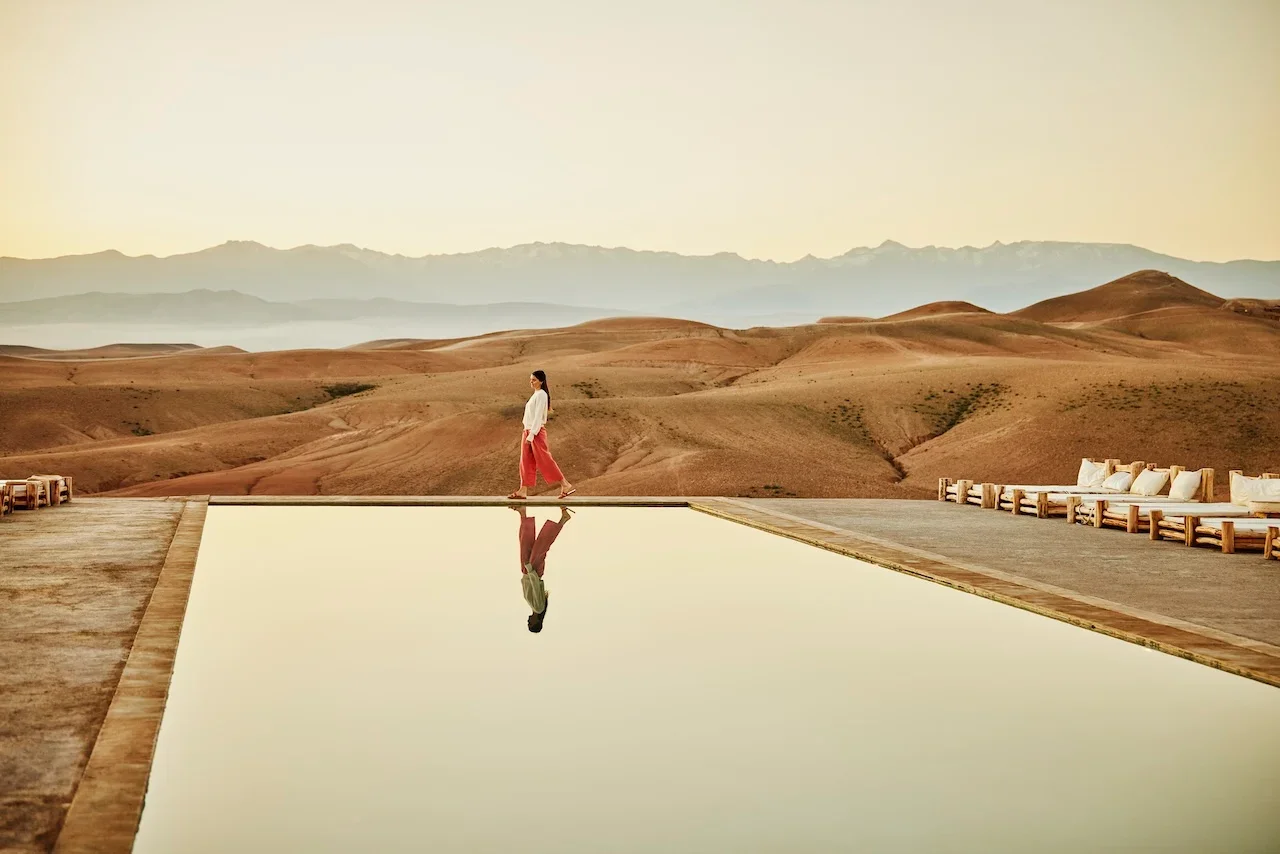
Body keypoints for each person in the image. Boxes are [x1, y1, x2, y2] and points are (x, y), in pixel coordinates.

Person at [508, 370, 576, 500]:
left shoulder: (541, 395)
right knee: (525, 461)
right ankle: (523, 490)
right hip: (528, 431)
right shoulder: (536, 395)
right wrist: (528, 433)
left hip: (535, 432)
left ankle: (565, 484)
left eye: (533, 380)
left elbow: (538, 416)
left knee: (545, 460)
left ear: (541, 381)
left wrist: (532, 434)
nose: (531, 382)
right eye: (530, 380)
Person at [514, 505, 572, 632]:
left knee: (525, 543)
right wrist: (530, 571)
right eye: (530, 624)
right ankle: (563, 519)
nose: (528, 621)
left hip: (528, 572)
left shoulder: (535, 607)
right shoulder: (538, 607)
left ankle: (522, 512)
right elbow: (535, 587)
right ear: (536, 623)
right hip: (532, 572)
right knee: (542, 545)